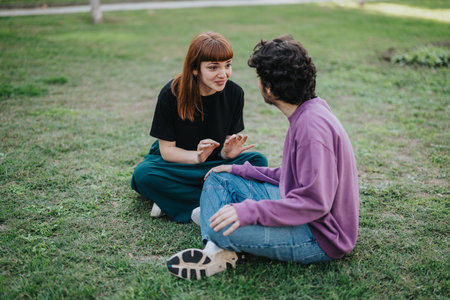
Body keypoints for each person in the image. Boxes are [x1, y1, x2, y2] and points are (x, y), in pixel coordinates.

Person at [166, 34, 359, 280]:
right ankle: (215, 242)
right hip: (299, 209)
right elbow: (293, 176)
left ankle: (215, 236)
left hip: (320, 234)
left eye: (259, 78)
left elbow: (314, 202)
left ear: (269, 87)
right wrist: (239, 170)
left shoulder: (312, 129)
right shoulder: (309, 110)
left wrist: (251, 212)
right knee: (219, 177)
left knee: (224, 227)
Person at [131, 32, 268, 223]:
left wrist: (227, 155)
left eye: (227, 65)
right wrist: (196, 157)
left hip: (213, 164)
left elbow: (224, 150)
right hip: (178, 163)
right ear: (195, 68)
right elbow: (167, 151)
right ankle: (216, 203)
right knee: (143, 175)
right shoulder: (171, 94)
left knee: (257, 160)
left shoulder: (235, 93)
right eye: (213, 67)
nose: (223, 74)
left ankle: (175, 200)